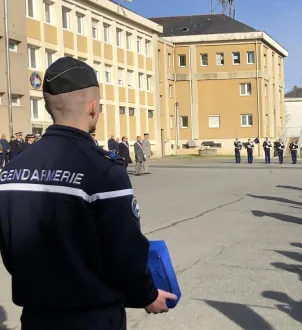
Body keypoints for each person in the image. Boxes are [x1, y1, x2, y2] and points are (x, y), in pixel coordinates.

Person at [0, 57, 175, 329]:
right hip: (92, 316)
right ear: (93, 107)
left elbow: (11, 248)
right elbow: (125, 250)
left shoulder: (10, 172)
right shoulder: (103, 170)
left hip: (36, 317)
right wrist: (147, 294)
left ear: (48, 107)